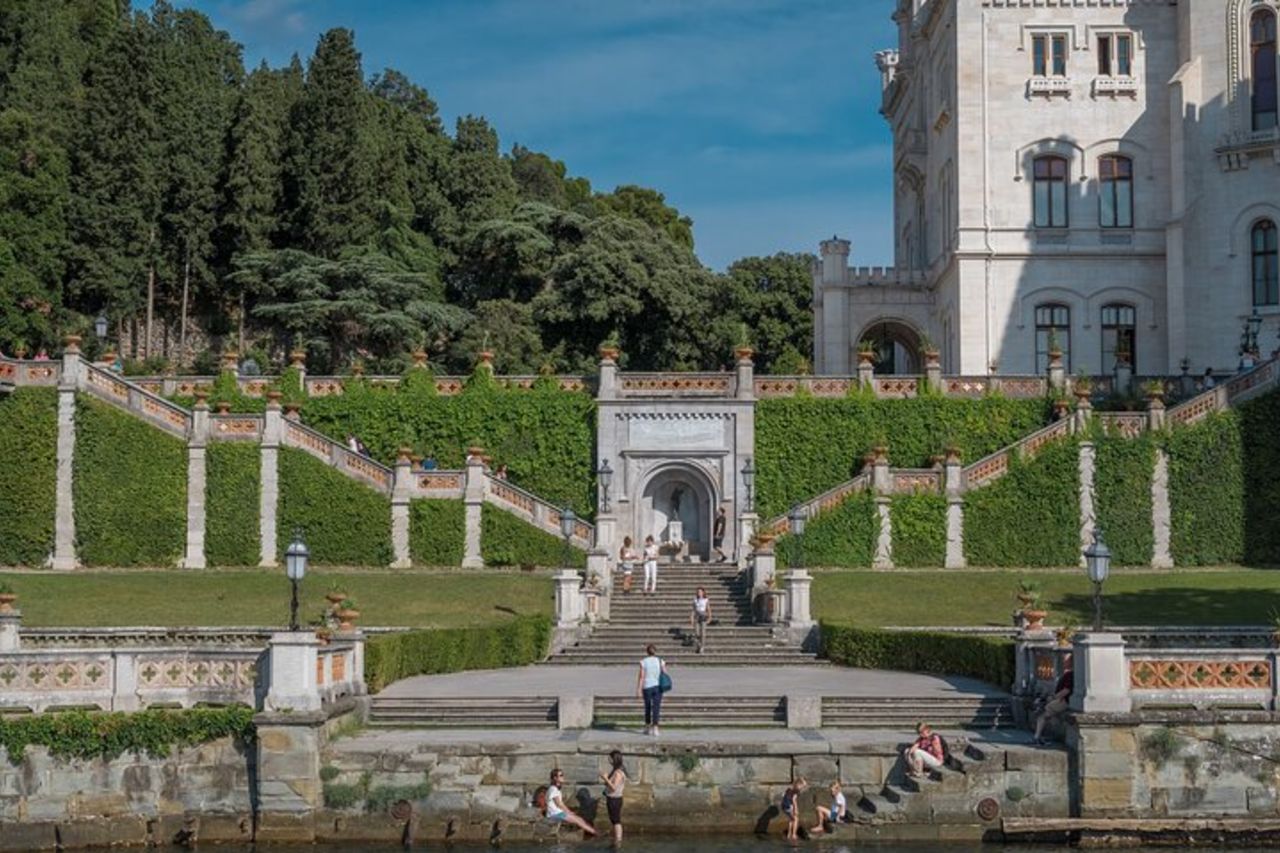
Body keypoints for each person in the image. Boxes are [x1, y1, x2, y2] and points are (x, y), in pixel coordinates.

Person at [544, 768, 597, 837]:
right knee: (578, 820)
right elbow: (559, 804)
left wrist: (569, 812)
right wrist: (569, 812)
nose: (563, 777)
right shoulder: (553, 789)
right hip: (555, 814)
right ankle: (596, 834)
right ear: (555, 778)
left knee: (579, 819)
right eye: (561, 775)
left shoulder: (555, 789)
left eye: (562, 775)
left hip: (558, 813)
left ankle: (593, 832)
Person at [1034, 665, 1074, 745]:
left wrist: (1053, 697)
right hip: (1061, 700)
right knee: (1043, 714)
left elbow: (1066, 690)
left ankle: (1037, 737)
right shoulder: (1069, 674)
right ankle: (1038, 737)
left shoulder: (1070, 675)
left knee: (1043, 714)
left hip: (1063, 701)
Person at [636, 644, 667, 736]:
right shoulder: (660, 661)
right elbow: (665, 673)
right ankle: (656, 728)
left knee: (648, 707)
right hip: (657, 687)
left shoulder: (643, 662)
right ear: (655, 651)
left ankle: (647, 727)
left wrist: (638, 689)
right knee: (656, 707)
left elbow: (641, 676)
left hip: (647, 687)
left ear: (647, 652)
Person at [598, 750, 627, 845]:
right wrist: (606, 780)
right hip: (612, 799)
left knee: (616, 821)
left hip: (615, 799)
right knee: (614, 820)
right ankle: (616, 838)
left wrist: (605, 778)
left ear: (614, 759)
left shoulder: (618, 773)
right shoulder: (615, 771)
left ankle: (618, 841)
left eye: (610, 758)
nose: (608, 760)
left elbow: (614, 787)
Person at [690, 586, 712, 653]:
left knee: (703, 633)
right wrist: (691, 617)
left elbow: (708, 609)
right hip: (697, 615)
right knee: (696, 632)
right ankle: (699, 645)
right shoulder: (695, 600)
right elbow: (693, 610)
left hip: (703, 615)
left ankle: (702, 646)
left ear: (703, 593)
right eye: (698, 592)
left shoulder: (706, 600)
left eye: (700, 592)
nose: (699, 593)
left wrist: (710, 617)